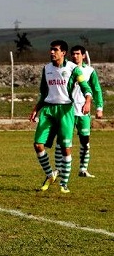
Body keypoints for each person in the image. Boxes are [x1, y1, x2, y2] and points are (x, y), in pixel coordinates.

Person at [29, 40, 92, 194]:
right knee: (38, 144)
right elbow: (44, 93)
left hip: (65, 110)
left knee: (65, 148)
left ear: (63, 52)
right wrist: (36, 109)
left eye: (55, 50)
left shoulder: (73, 69)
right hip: (49, 110)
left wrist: (88, 101)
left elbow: (85, 87)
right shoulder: (46, 69)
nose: (52, 52)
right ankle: (50, 175)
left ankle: (64, 184)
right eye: (51, 50)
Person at [46, 45, 103, 179]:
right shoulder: (68, 69)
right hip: (67, 111)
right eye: (73, 54)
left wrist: (99, 108)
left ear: (83, 56)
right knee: (62, 141)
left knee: (85, 140)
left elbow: (96, 90)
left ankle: (83, 169)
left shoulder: (89, 71)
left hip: (83, 112)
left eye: (78, 54)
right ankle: (58, 168)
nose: (75, 56)